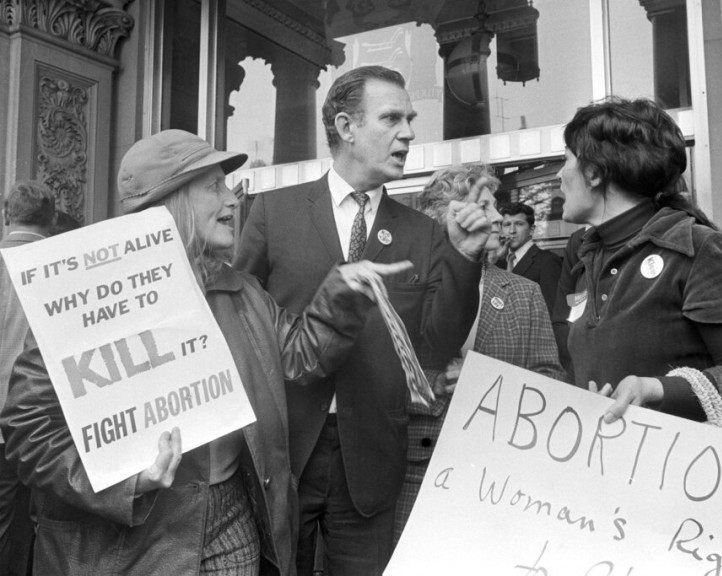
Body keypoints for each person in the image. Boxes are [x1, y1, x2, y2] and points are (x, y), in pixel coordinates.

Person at [0, 129, 411, 576]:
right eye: (214, 187)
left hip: (234, 518)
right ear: (170, 200)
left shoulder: (242, 290)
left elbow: (299, 356)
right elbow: (29, 430)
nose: (233, 201)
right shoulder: (90, 301)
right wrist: (125, 483)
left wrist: (341, 295)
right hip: (133, 541)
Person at [234, 65, 490, 576]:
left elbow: (435, 349)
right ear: (347, 127)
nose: (409, 133)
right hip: (285, 453)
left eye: (411, 119)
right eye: (392, 118)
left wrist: (464, 260)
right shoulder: (272, 213)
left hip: (370, 461)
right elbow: (241, 323)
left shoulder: (425, 232)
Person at [557, 96, 722, 423]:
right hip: (603, 466)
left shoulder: (697, 248)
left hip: (677, 469)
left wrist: (655, 390)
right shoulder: (589, 253)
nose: (559, 174)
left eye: (566, 159)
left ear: (595, 173)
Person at [394, 165, 566, 543]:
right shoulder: (406, 287)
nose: (496, 218)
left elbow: (550, 379)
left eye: (495, 207)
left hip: (498, 476)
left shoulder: (524, 292)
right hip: (415, 472)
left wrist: (487, 384)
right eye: (482, 207)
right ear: (443, 217)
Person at [0, 181, 55, 576]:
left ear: (6, 216)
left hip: (1, 428)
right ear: (51, 219)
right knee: (51, 527)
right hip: (49, 428)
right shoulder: (63, 267)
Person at [497, 201, 562, 316]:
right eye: (507, 224)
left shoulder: (548, 261)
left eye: (519, 224)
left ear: (531, 230)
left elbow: (554, 311)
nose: (512, 230)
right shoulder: (498, 263)